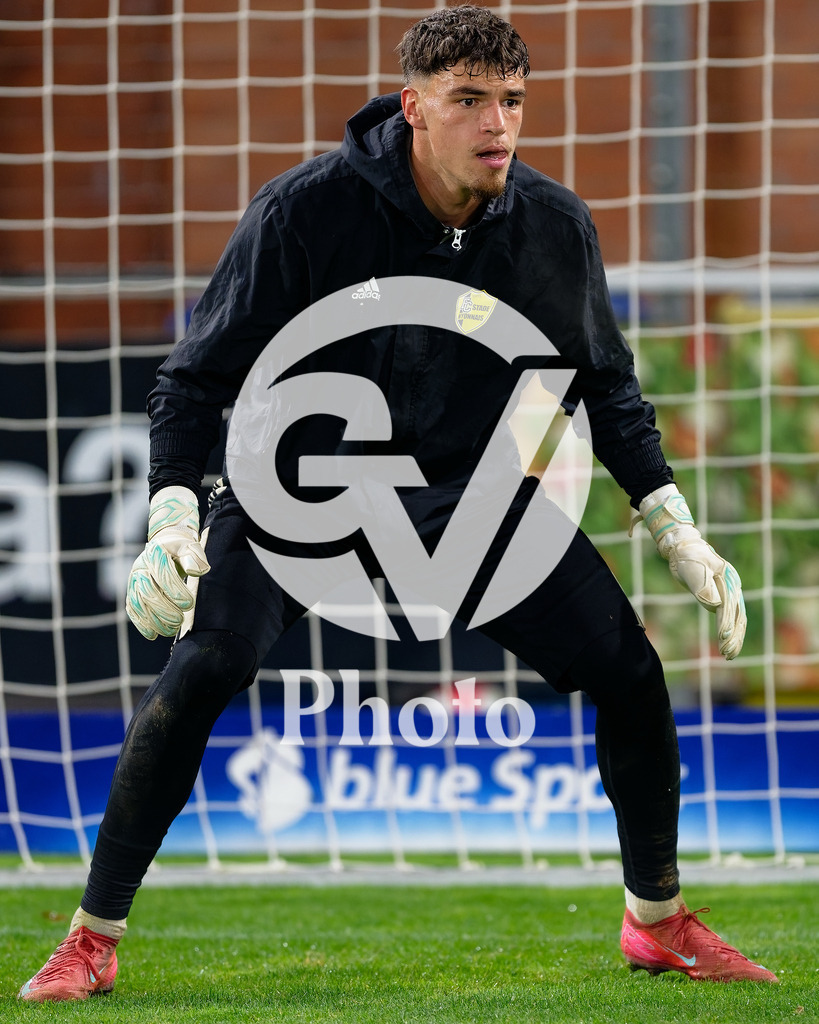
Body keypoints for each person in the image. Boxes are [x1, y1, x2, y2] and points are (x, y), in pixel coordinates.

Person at [19, 5, 776, 1003]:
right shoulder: (305, 214)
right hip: (305, 498)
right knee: (206, 662)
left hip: (475, 509)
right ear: (414, 108)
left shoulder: (552, 229)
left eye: (510, 101)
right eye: (469, 101)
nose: (496, 124)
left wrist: (674, 526)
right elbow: (194, 381)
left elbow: (607, 386)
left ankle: (657, 921)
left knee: (629, 671)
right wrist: (171, 514)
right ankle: (91, 937)